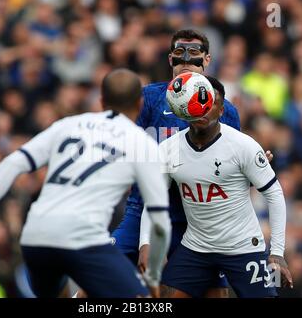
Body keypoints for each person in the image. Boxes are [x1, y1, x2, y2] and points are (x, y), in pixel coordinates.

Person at [0, 69, 172, 298]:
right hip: (83, 239)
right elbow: (158, 217)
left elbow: (13, 162)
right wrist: (153, 276)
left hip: (35, 238)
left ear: (101, 100)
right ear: (140, 102)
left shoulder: (69, 125)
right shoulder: (143, 144)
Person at [111, 28, 273, 297]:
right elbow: (118, 143)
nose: (186, 59)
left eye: (194, 53)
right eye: (179, 52)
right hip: (147, 210)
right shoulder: (146, 99)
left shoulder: (225, 109)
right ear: (169, 59)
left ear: (207, 60)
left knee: (212, 295)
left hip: (199, 220)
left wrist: (253, 166)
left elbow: (229, 163)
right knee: (101, 276)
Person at [139, 76, 293, 297]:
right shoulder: (168, 149)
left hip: (244, 247)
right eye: (199, 101)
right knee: (163, 295)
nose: (204, 108)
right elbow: (153, 199)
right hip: (197, 247)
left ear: (221, 111)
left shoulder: (243, 146)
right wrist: (145, 242)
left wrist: (277, 253)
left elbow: (275, 193)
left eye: (211, 103)